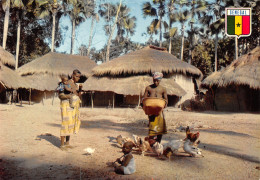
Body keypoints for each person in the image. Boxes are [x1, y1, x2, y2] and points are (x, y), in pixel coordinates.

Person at [59, 69, 82, 150]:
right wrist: (68, 97)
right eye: (76, 76)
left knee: (71, 124)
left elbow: (78, 96)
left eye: (79, 77)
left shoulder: (76, 85)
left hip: (73, 107)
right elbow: (60, 95)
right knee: (65, 123)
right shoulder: (65, 83)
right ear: (72, 75)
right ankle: (62, 145)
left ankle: (67, 143)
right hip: (66, 105)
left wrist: (80, 90)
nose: (78, 78)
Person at [143, 72, 168, 145]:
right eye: (154, 80)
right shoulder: (148, 88)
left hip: (160, 112)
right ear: (152, 79)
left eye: (157, 81)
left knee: (160, 129)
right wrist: (146, 107)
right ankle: (151, 144)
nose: (156, 82)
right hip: (151, 112)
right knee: (152, 128)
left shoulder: (163, 89)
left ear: (160, 80)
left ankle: (158, 144)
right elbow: (144, 99)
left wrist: (163, 105)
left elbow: (166, 100)